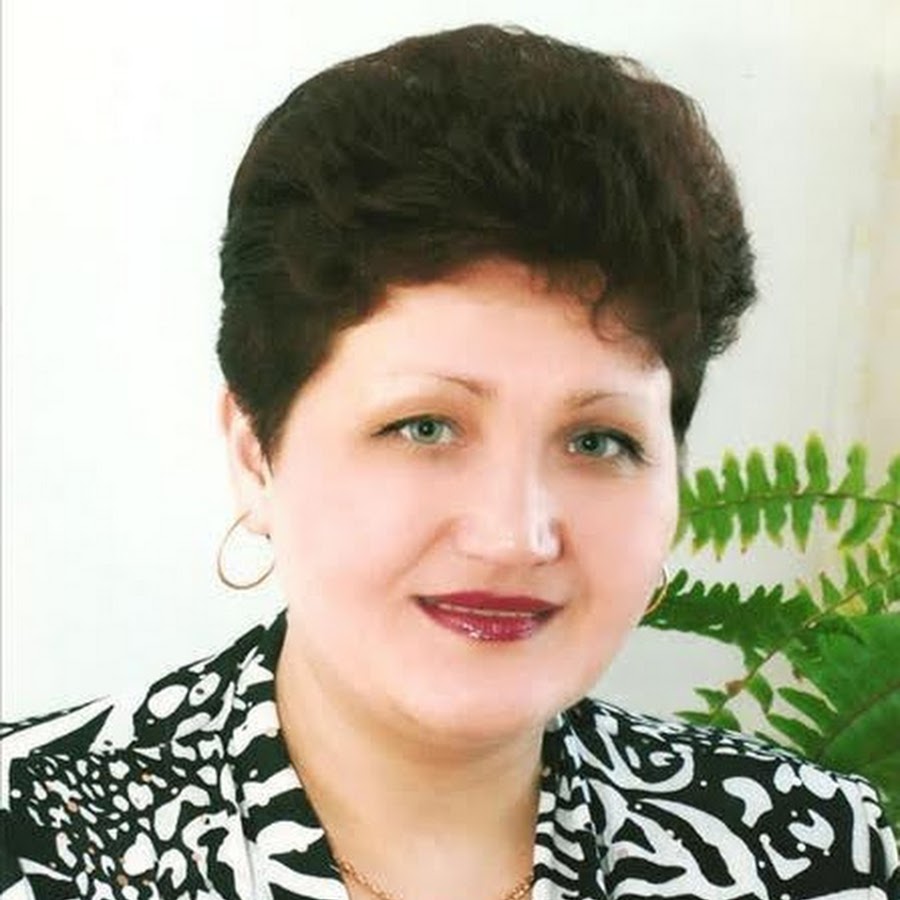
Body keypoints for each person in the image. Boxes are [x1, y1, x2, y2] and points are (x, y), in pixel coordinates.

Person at [1, 23, 896, 900]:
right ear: (255, 455)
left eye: (598, 441)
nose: (515, 535)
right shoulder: (33, 841)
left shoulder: (808, 853)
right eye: (424, 427)